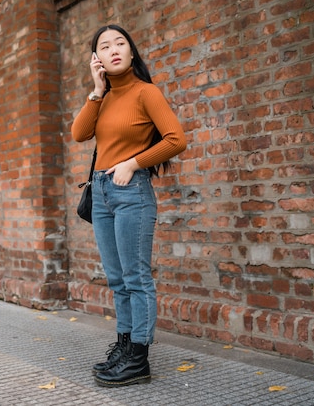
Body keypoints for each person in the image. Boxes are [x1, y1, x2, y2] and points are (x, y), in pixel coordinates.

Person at [71, 24, 187, 387]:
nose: (114, 49)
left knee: (136, 278)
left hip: (132, 191)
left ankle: (139, 358)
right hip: (103, 193)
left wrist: (134, 163)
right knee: (117, 279)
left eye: (120, 43)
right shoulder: (103, 98)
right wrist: (96, 89)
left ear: (132, 52)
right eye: (105, 47)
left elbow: (176, 139)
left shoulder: (145, 92)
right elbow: (79, 133)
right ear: (97, 59)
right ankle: (123, 346)